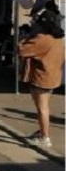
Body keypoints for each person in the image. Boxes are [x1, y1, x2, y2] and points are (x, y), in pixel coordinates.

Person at [18, 12, 65, 148]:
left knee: (42, 108)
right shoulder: (57, 38)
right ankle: (43, 131)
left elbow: (22, 50)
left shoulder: (42, 38)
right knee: (44, 106)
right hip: (53, 75)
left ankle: (45, 137)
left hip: (42, 77)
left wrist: (24, 37)